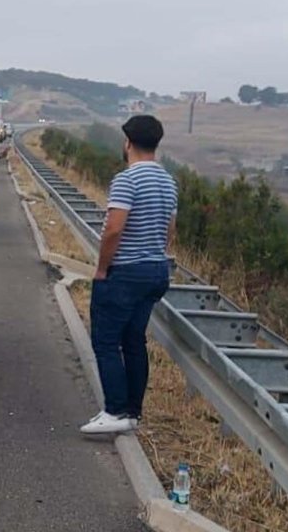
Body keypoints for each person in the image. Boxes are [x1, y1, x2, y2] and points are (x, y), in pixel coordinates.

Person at [81, 115, 178, 435]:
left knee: (106, 342)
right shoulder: (168, 181)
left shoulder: (127, 180)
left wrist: (102, 267)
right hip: (156, 271)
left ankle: (115, 410)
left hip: (125, 272)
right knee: (134, 341)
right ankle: (133, 412)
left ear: (128, 143)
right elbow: (170, 230)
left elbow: (113, 230)